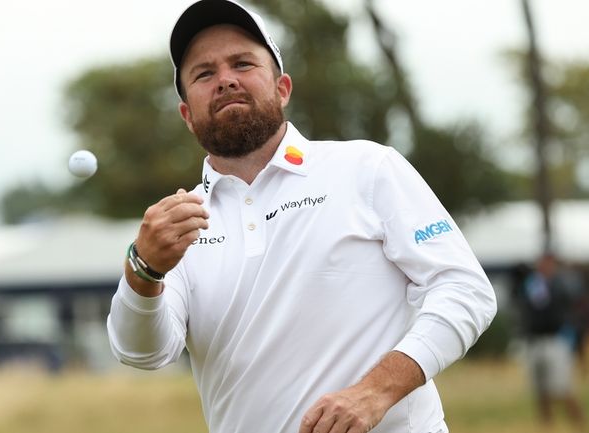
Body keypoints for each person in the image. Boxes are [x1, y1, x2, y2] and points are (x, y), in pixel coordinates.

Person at [106, 1, 497, 432]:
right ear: (186, 115)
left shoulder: (366, 168)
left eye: (242, 63)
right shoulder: (176, 225)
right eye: (204, 73)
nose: (226, 80)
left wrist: (377, 391)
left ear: (282, 88)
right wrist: (144, 269)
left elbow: (464, 290)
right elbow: (143, 353)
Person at [513, 253, 586, 429]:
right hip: (535, 340)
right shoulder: (532, 284)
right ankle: (547, 427)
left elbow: (571, 303)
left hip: (555, 340)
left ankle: (581, 425)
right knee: (541, 391)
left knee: (562, 388)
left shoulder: (561, 284)